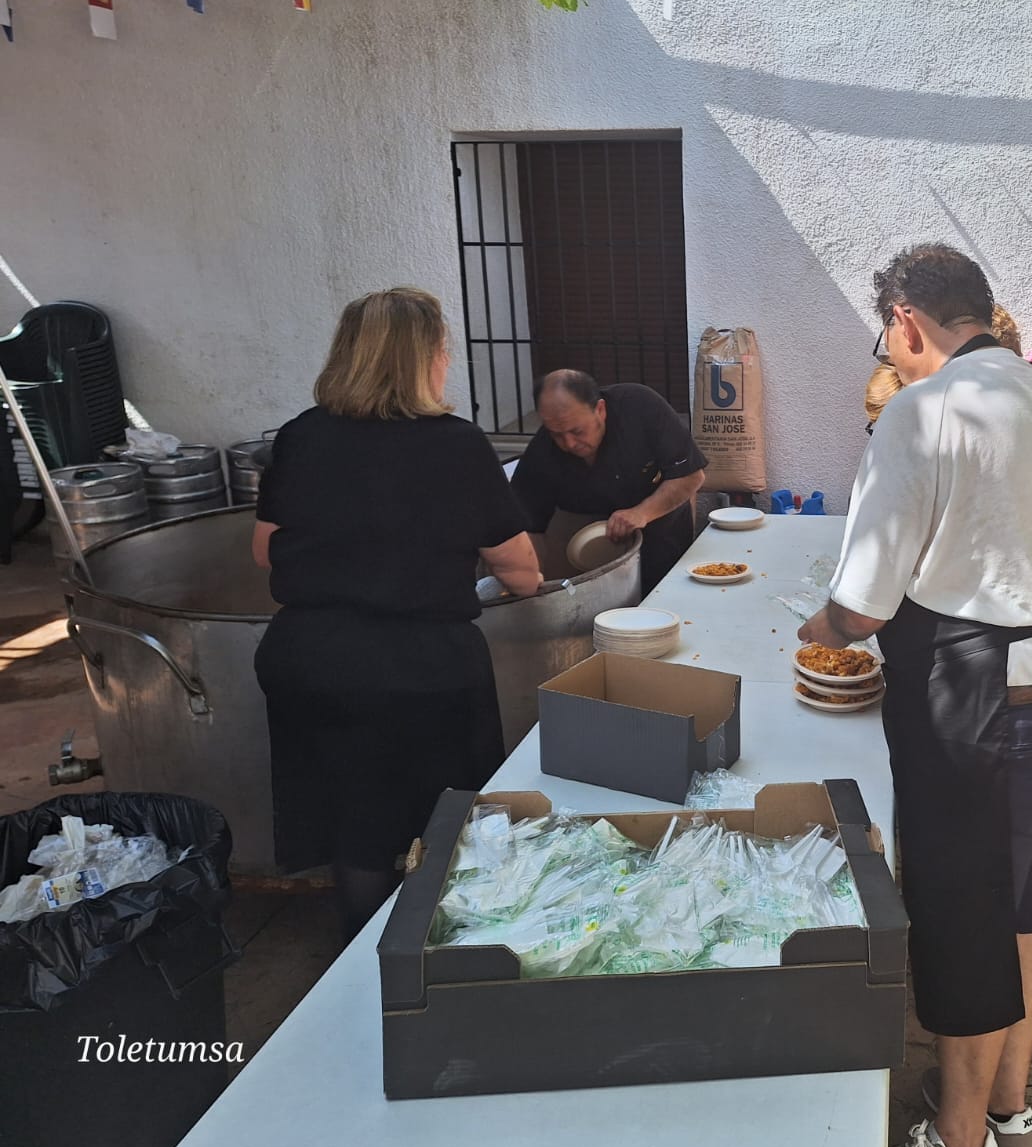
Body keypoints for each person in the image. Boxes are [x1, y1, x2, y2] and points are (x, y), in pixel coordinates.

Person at [800, 244, 1032, 1147]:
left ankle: (959, 1134)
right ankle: (1013, 1111)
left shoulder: (922, 413)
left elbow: (860, 606)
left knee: (966, 934)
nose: (886, 357)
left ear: (906, 320)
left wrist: (818, 627)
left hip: (983, 712)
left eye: (884, 338)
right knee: (1019, 919)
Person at [252, 288, 544, 941]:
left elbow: (265, 550)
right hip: (419, 670)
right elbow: (520, 570)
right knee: (438, 828)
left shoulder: (300, 435)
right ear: (428, 359)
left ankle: (359, 959)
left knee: (355, 827)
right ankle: (430, 963)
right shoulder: (458, 445)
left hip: (309, 659)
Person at [509, 369, 707, 594]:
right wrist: (532, 581)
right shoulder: (542, 451)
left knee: (664, 597)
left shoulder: (640, 406)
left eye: (577, 431)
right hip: (586, 552)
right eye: (557, 434)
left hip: (660, 525)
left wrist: (641, 513)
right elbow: (526, 527)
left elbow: (691, 476)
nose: (569, 443)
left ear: (600, 410)